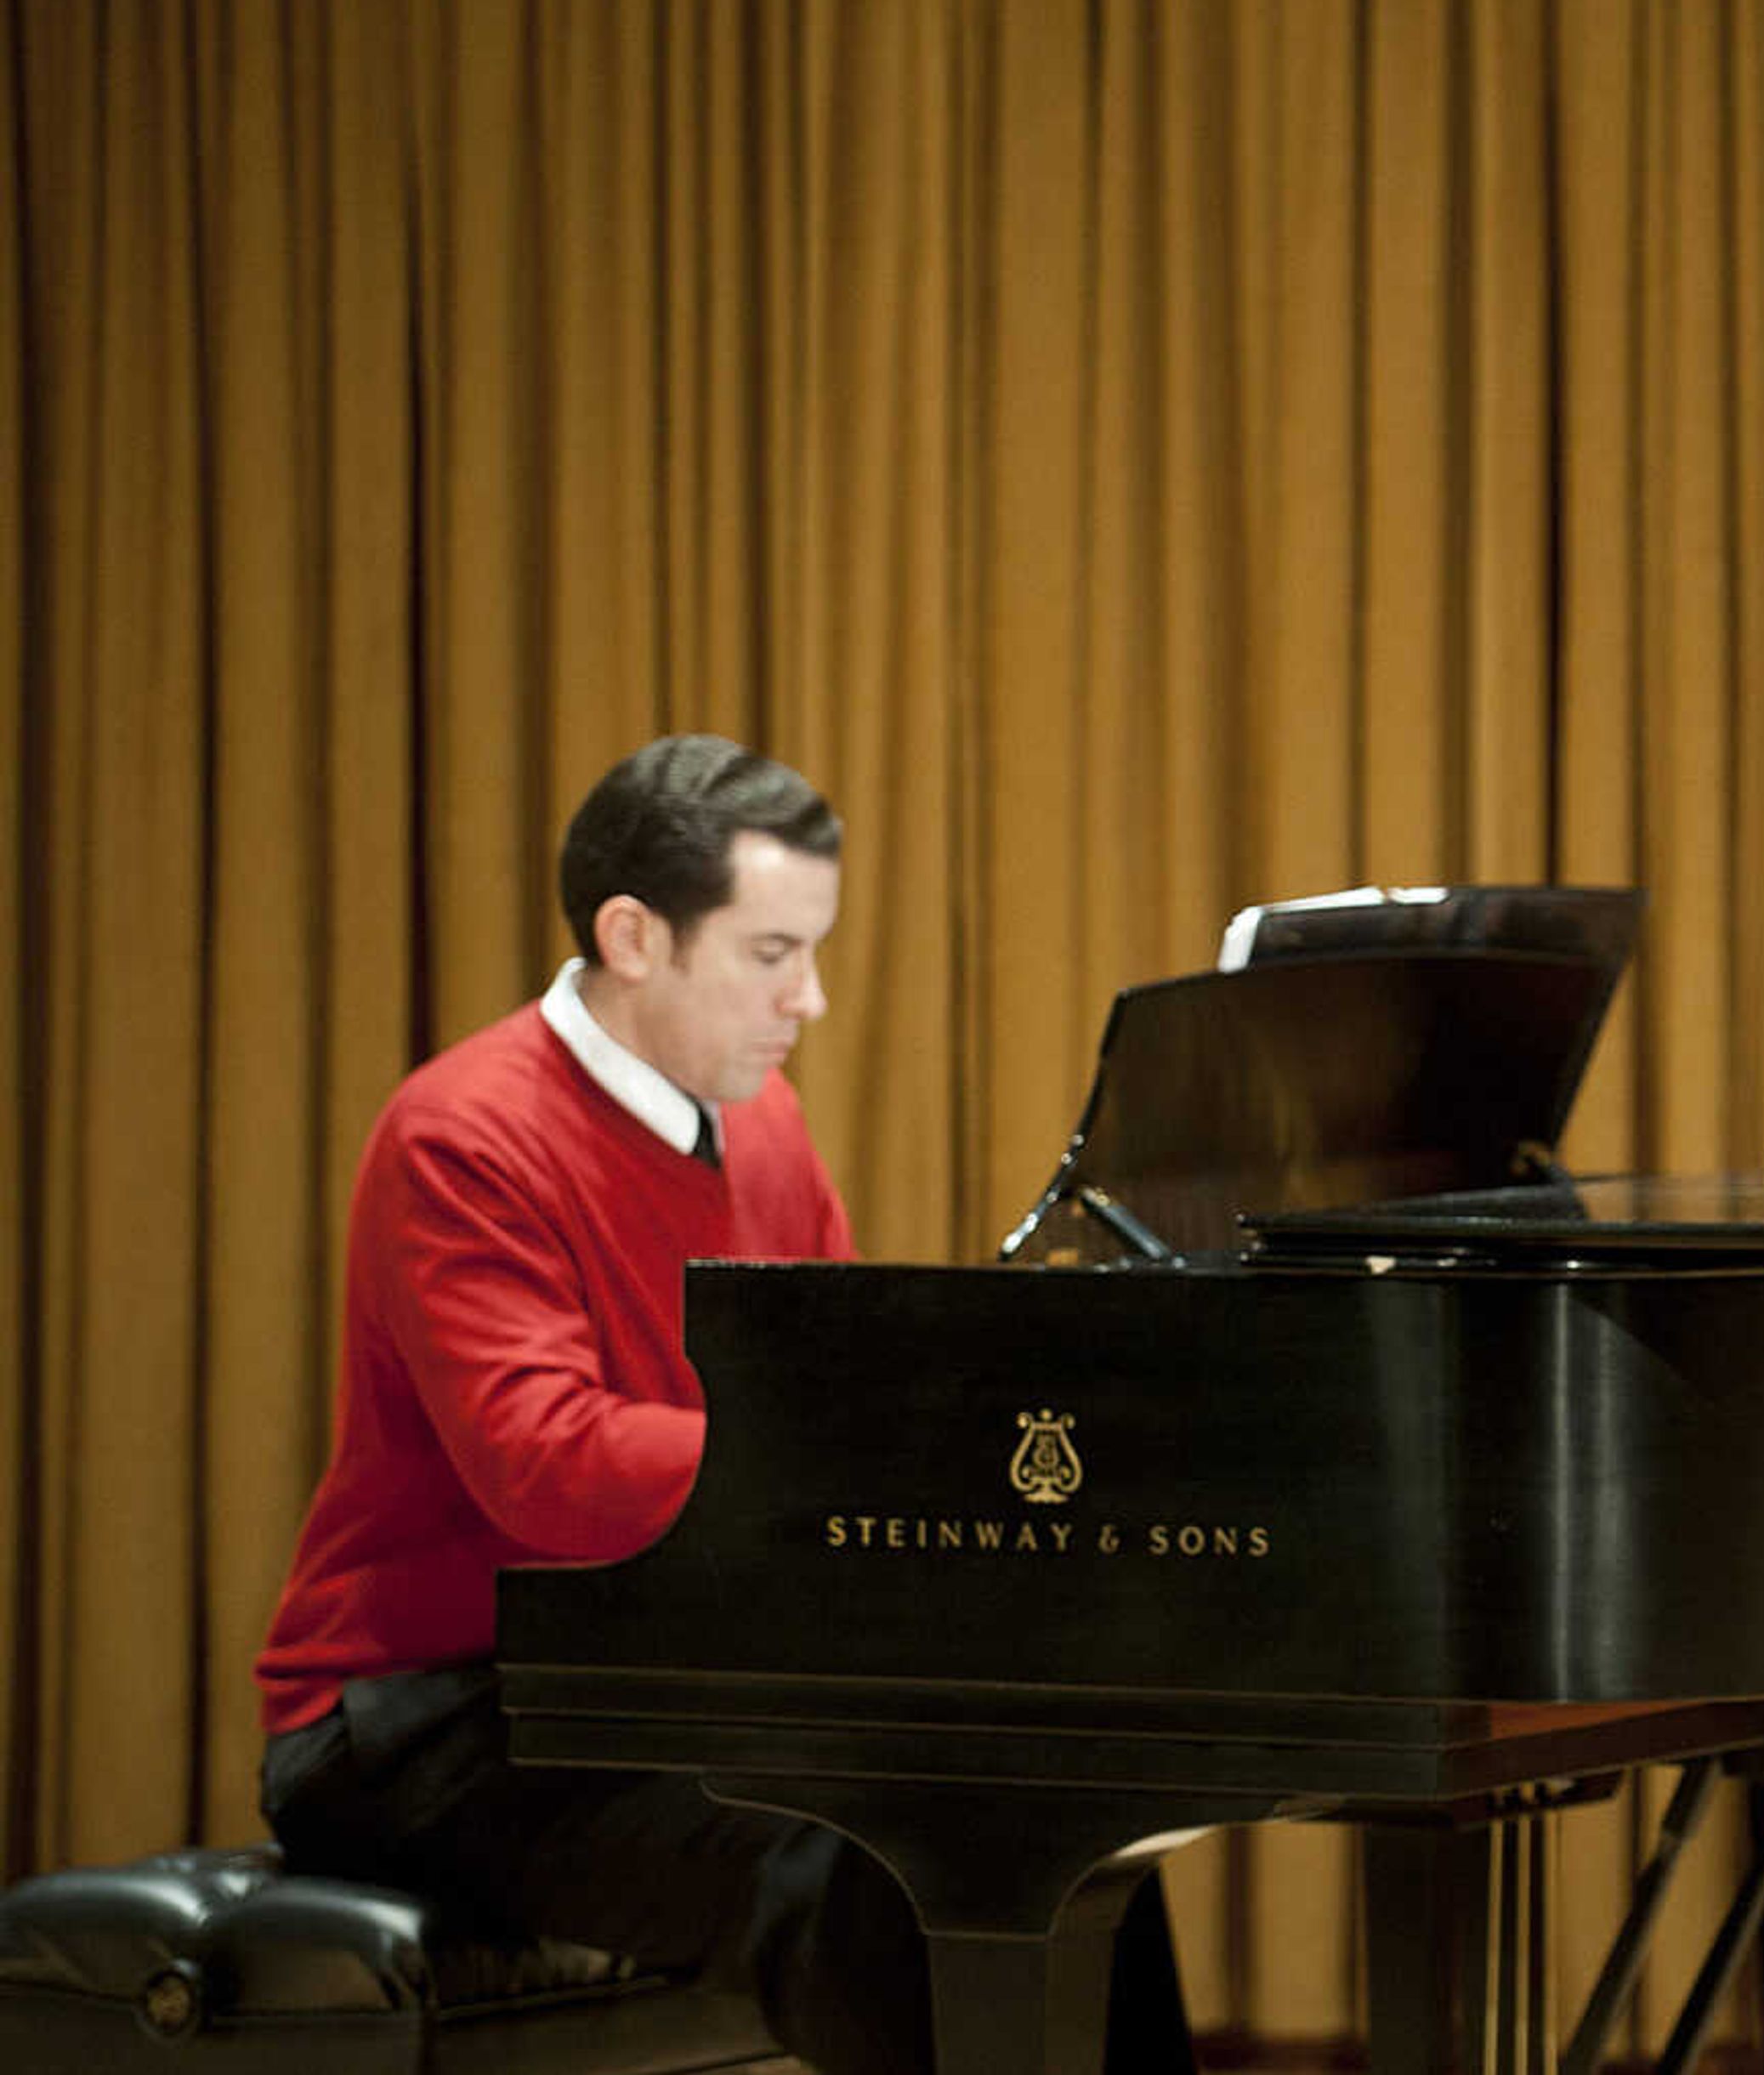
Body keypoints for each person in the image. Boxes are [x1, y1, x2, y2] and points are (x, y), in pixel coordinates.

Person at [252, 734, 1194, 2075]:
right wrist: (874, 1460)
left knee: (1066, 1805)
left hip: (645, 1676)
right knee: (875, 1860)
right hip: (427, 1718)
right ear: (632, 937)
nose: (809, 998)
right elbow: (552, 1464)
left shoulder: (763, 1123)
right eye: (772, 954)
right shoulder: (459, 1136)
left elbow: (845, 1388)